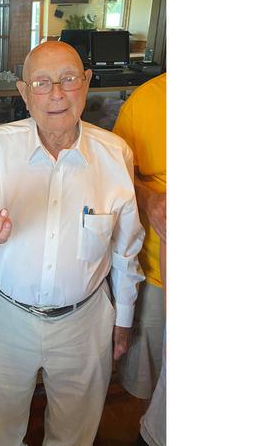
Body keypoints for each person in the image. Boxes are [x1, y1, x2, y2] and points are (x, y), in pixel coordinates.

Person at [0, 41, 146, 446]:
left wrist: (124, 318)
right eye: (42, 83)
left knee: (74, 436)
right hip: (6, 319)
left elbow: (125, 246)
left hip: (86, 320)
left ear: (87, 84)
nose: (56, 94)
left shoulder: (115, 154)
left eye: (68, 79)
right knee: (2, 433)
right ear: (24, 93)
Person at [111, 73, 166, 446]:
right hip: (160, 274)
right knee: (150, 388)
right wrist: (150, 200)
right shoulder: (149, 99)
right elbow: (119, 177)